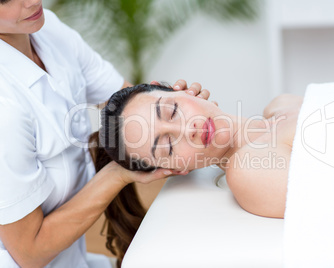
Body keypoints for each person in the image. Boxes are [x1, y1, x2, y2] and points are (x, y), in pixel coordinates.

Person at [0, 2, 210, 267]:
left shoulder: (47, 28)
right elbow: (29, 252)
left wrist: (177, 107)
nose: (31, 1)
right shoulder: (4, 111)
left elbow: (131, 108)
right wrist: (117, 174)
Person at [90, 83, 303, 264]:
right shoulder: (247, 171)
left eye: (172, 111)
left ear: (188, 91)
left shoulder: (281, 104)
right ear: (175, 169)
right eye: (167, 146)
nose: (187, 130)